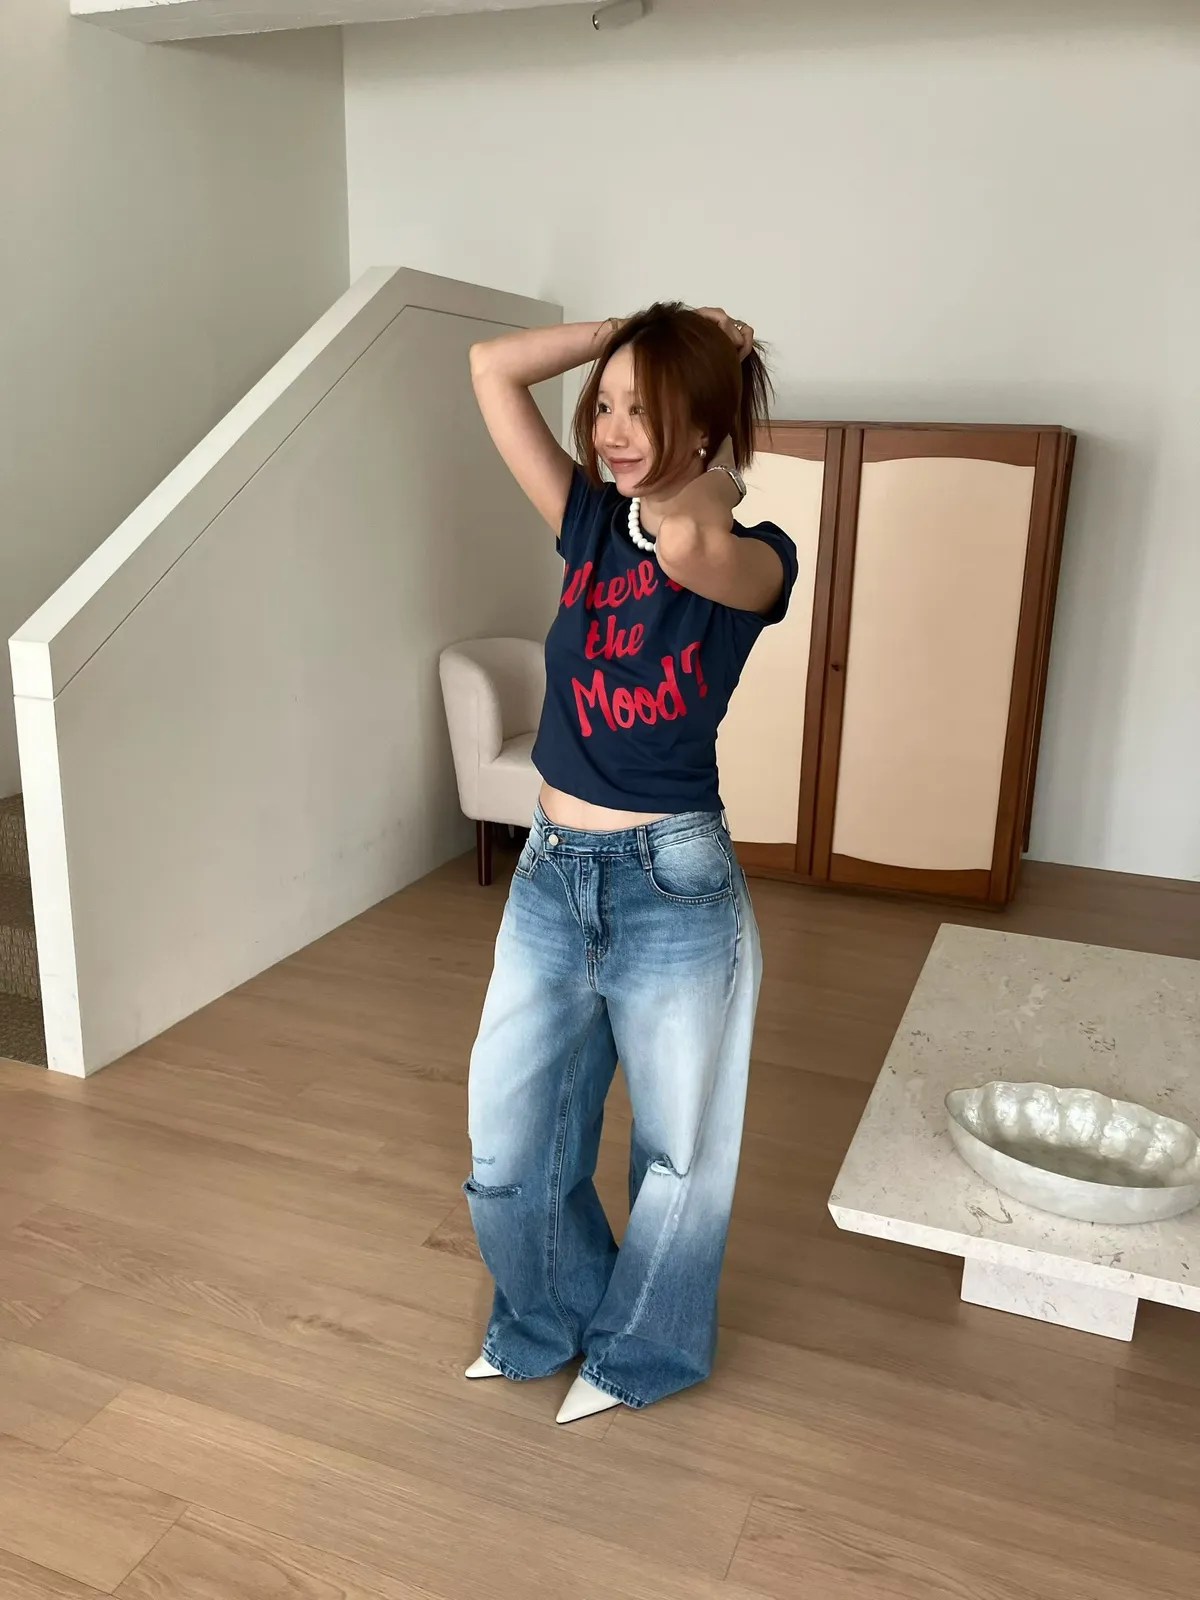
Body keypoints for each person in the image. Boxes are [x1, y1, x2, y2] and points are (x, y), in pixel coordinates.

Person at [462, 303, 797, 1423]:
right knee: (511, 1141)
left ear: (702, 425)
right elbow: (491, 368)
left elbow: (694, 546)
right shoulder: (589, 525)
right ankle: (544, 1319)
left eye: (641, 411)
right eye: (603, 406)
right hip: (551, 871)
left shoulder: (759, 555)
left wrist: (714, 436)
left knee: (678, 1152)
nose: (610, 430)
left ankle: (643, 1352)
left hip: (672, 884)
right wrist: (629, 331)